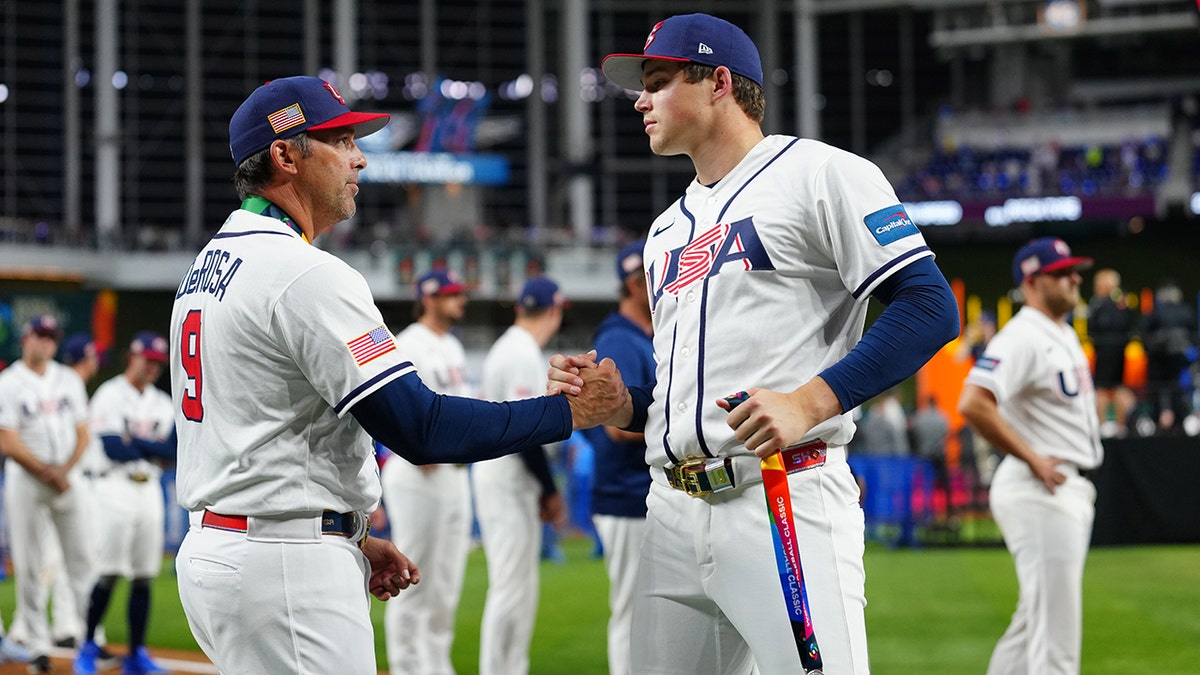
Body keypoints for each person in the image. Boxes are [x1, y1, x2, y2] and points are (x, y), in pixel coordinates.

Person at [168, 76, 625, 675]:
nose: (360, 156)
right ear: (285, 155)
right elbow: (421, 427)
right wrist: (566, 411)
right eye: (339, 139)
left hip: (225, 549)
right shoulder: (302, 272)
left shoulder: (206, 267)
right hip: (282, 562)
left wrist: (350, 534)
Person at [550, 14, 960, 674]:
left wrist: (810, 401)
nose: (640, 99)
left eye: (656, 81)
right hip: (672, 506)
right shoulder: (662, 232)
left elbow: (931, 306)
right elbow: (688, 391)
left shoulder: (821, 173)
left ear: (717, 82)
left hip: (780, 495)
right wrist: (624, 405)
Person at [958, 237, 1102, 675]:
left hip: (1056, 484)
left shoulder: (1057, 330)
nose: (1075, 278)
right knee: (1055, 643)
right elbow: (973, 401)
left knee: (1032, 625)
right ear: (1033, 281)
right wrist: (1033, 458)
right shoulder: (1022, 335)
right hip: (1038, 485)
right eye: (1062, 273)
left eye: (1074, 270)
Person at [378, 268, 473, 675]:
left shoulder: (453, 345)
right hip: (416, 475)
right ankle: (406, 667)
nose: (460, 300)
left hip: (454, 475)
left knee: (446, 585)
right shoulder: (408, 342)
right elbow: (385, 411)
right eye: (451, 293)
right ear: (429, 297)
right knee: (410, 579)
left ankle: (437, 665)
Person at [472, 276, 569, 675]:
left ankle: (511, 667)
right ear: (555, 311)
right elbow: (525, 432)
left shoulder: (515, 347)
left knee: (517, 586)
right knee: (512, 588)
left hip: (508, 475)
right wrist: (550, 489)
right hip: (506, 475)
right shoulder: (519, 351)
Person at [73, 332, 177, 675]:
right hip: (113, 488)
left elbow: (173, 452)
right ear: (132, 357)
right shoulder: (109, 394)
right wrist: (152, 446)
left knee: (145, 575)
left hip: (148, 490)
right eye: (148, 359)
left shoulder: (163, 402)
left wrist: (138, 441)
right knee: (109, 570)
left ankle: (136, 654)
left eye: (158, 362)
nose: (153, 367)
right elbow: (113, 447)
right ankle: (87, 647)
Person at [0, 316, 96, 674]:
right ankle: (38, 646)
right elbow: (6, 438)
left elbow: (83, 432)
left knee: (83, 560)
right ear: (26, 339)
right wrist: (46, 471)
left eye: (51, 338)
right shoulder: (9, 382)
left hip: (66, 478)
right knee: (29, 563)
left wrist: (63, 469)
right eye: (40, 336)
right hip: (28, 479)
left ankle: (88, 636)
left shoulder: (68, 379)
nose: (45, 343)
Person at [581, 241, 655, 675]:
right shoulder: (619, 339)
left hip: (636, 490)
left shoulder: (645, 334)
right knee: (632, 613)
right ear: (633, 283)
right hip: (625, 492)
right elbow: (614, 423)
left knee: (647, 613)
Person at [1140, 279, 1197, 434]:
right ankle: (1180, 419)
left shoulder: (1155, 312)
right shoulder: (1186, 311)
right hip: (1179, 359)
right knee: (1178, 389)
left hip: (1159, 360)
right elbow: (1194, 334)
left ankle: (1159, 419)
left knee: (1159, 389)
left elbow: (1143, 333)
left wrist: (1152, 347)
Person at [1087, 269, 1136, 437]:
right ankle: (1114, 428)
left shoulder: (1102, 304)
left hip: (1107, 353)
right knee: (1110, 389)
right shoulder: (1119, 303)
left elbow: (1092, 327)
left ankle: (1104, 427)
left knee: (1105, 389)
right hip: (1114, 352)